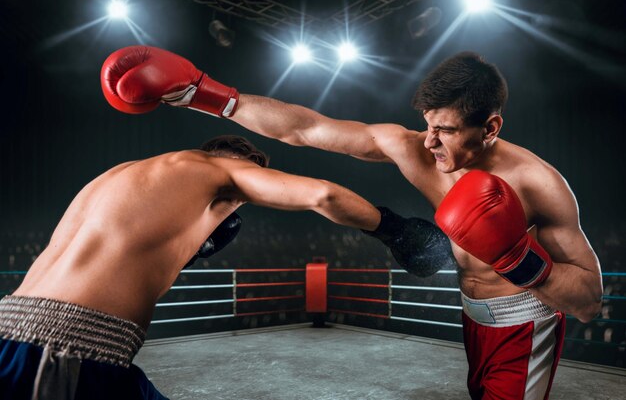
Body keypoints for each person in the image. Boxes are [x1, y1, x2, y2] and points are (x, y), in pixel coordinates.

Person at [101, 45, 604, 400]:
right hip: (472, 315)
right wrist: (203, 94)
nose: (429, 142)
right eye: (427, 126)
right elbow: (306, 128)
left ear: (490, 127)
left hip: (523, 322)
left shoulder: (539, 184)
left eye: (445, 131)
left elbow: (587, 301)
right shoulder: (416, 150)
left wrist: (515, 256)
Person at [0, 133, 451, 400]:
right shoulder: (217, 172)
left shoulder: (120, 175)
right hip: (63, 356)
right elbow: (322, 195)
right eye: (244, 193)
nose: (237, 205)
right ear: (243, 165)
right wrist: (394, 230)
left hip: (14, 333)